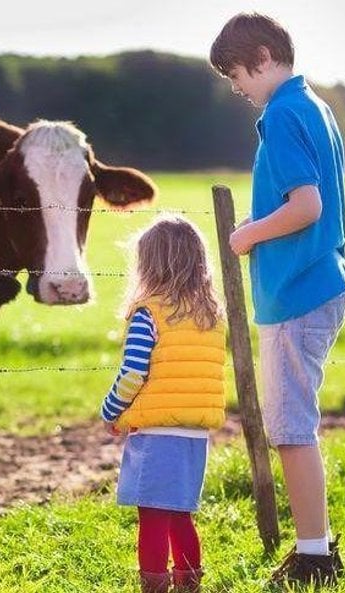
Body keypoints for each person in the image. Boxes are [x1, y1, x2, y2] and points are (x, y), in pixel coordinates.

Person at [209, 12, 345, 586]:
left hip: (298, 289)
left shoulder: (283, 112)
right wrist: (262, 222)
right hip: (314, 280)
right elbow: (299, 201)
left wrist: (247, 234)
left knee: (291, 429)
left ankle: (315, 557)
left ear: (264, 56)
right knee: (292, 425)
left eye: (237, 74)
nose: (237, 87)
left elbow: (307, 207)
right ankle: (314, 547)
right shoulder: (313, 105)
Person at [100, 216, 227, 593]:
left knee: (152, 517)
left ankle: (153, 586)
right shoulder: (210, 316)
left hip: (156, 434)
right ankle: (189, 583)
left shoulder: (149, 313)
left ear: (147, 265)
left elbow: (133, 373)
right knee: (180, 515)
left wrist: (111, 411)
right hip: (194, 434)